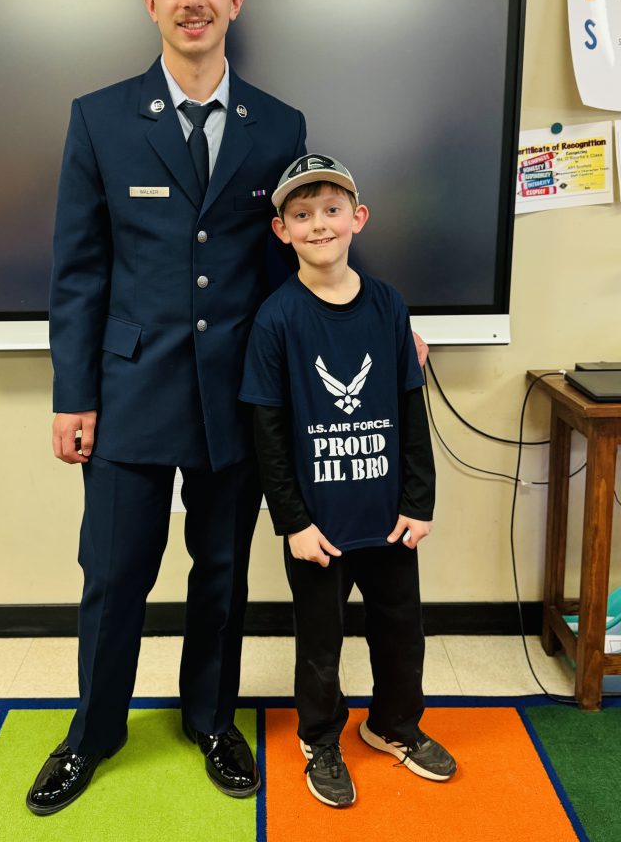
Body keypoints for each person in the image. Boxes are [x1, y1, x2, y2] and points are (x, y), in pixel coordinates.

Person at [25, 0, 308, 815]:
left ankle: (210, 720)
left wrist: (376, 326)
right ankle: (94, 732)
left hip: (237, 395)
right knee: (113, 574)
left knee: (222, 571)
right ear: (150, 1)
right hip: (126, 392)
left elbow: (297, 261)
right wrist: (73, 395)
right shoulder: (100, 119)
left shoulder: (281, 124)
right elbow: (77, 273)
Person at [239, 154, 456, 808]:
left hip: (388, 517)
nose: (318, 224)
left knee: (401, 631)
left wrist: (419, 502)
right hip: (319, 528)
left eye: (331, 210)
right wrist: (294, 524)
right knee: (320, 645)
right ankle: (321, 737)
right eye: (301, 214)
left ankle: (392, 725)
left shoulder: (389, 306)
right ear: (281, 231)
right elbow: (268, 433)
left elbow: (412, 410)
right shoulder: (275, 320)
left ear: (358, 218)